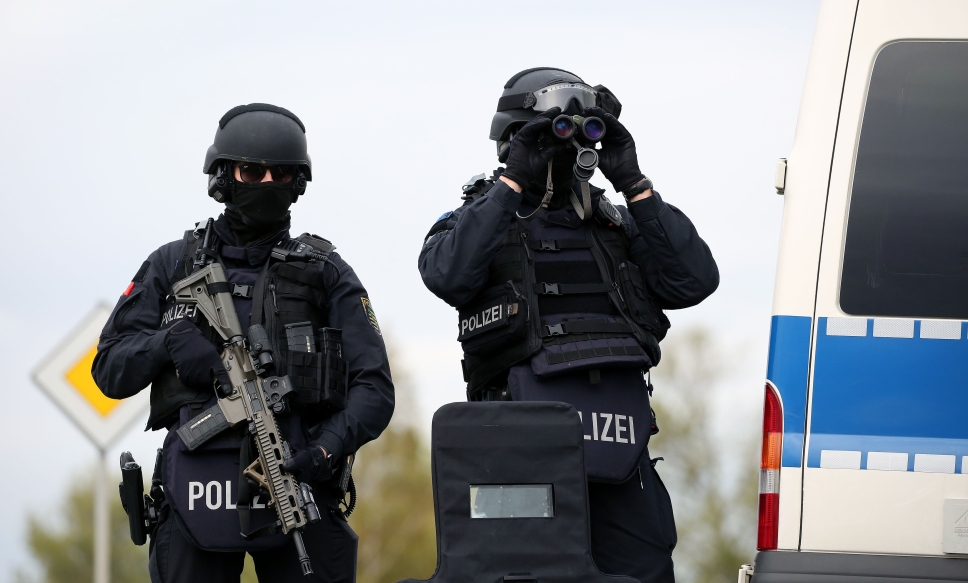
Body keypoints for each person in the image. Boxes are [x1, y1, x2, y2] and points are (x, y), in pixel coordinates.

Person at [418, 68, 719, 583]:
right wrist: (512, 183)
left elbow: (693, 282)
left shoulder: (618, 223)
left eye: (580, 132)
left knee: (643, 571)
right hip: (517, 450)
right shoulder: (472, 222)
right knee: (522, 574)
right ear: (512, 141)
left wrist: (634, 183)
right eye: (550, 132)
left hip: (619, 448)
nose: (564, 147)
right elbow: (449, 275)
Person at [94, 103, 394, 583]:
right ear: (223, 176)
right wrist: (167, 343)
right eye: (252, 171)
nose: (266, 183)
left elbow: (375, 390)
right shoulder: (173, 265)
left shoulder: (325, 271)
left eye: (281, 173)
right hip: (195, 490)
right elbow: (108, 370)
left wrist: (324, 452)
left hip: (299, 483)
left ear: (298, 183)